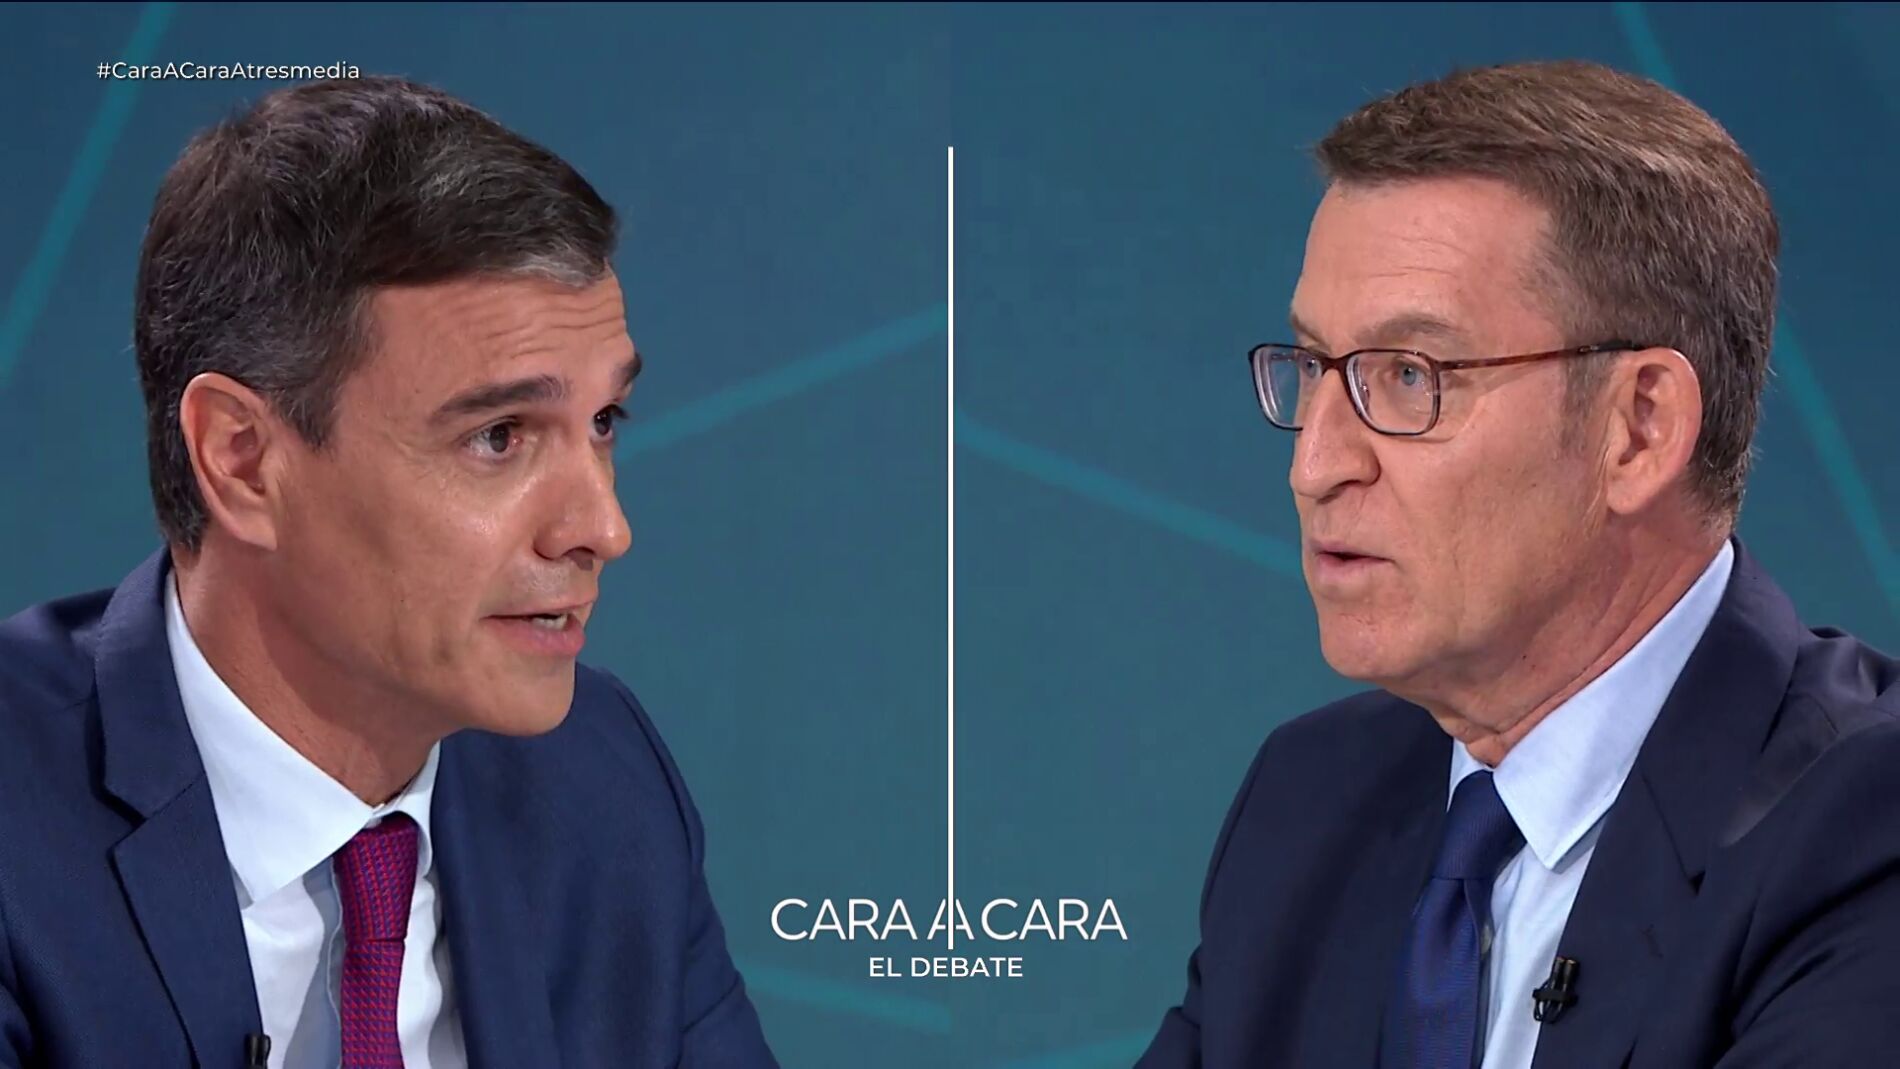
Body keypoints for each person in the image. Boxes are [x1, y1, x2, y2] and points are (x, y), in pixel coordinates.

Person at [0, 76, 778, 1067]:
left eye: (602, 421)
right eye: (499, 435)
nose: (602, 528)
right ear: (243, 460)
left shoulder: (601, 780)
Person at [1136, 60, 1900, 1068]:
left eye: (1408, 376)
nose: (1313, 466)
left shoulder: (1864, 831)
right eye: (1315, 367)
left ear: (1639, 428)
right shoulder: (1308, 800)